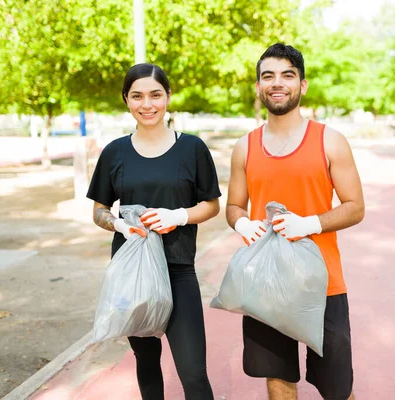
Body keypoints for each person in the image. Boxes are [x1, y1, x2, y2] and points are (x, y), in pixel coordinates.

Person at [225, 43, 365, 400]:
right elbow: (234, 207)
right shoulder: (245, 146)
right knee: (278, 379)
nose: (277, 83)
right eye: (268, 76)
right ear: (258, 86)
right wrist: (242, 224)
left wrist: (311, 224)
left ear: (302, 85)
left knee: (337, 388)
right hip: (266, 285)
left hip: (324, 282)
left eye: (288, 75)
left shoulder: (330, 141)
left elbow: (355, 207)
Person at [87, 63, 220, 400]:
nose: (147, 104)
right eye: (137, 96)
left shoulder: (192, 148)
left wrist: (179, 216)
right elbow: (99, 211)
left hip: (178, 270)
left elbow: (211, 205)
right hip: (134, 274)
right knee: (146, 362)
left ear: (168, 97)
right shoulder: (115, 152)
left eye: (155, 95)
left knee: (193, 374)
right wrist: (119, 224)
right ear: (127, 100)